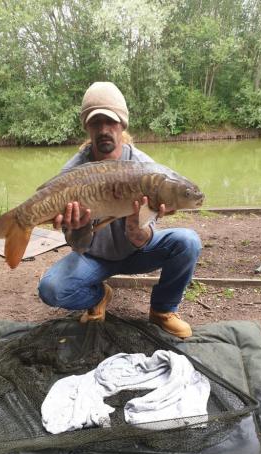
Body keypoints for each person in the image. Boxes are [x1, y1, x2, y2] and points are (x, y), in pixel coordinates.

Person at [38, 82, 201, 338]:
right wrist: (79, 227)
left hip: (137, 251)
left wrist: (137, 229)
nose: (103, 130)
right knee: (51, 289)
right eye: (96, 123)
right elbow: (78, 245)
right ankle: (99, 296)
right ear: (87, 127)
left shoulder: (147, 169)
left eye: (110, 122)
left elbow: (143, 240)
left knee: (188, 242)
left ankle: (162, 310)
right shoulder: (72, 174)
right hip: (93, 256)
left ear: (122, 124)